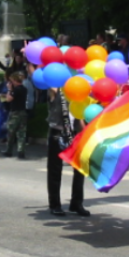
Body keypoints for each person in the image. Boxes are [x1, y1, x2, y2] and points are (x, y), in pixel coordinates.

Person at [46, 88, 90, 216]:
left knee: (79, 168)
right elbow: (49, 81)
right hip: (57, 133)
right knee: (55, 170)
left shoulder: (77, 95)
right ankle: (55, 204)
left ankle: (76, 203)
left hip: (73, 134)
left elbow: (79, 117)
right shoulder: (56, 91)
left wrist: (85, 134)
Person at [4, 71, 28, 159]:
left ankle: (9, 150)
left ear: (14, 80)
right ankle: (21, 151)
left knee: (11, 132)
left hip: (15, 113)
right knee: (21, 133)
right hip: (23, 111)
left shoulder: (16, 89)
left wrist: (9, 89)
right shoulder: (24, 89)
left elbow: (8, 99)